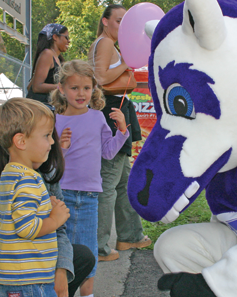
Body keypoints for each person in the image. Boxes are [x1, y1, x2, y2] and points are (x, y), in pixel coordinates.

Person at [0, 104, 95, 297]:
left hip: (28, 254)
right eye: (46, 136)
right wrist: (41, 275)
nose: (52, 143)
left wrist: (60, 272)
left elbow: (59, 232)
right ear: (21, 141)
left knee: (80, 257)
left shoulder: (42, 174)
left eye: (52, 135)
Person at [51, 59, 129, 297]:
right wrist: (60, 148)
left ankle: (87, 294)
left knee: (88, 248)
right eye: (74, 88)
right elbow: (46, 161)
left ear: (94, 88)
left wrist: (122, 131)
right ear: (62, 89)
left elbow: (107, 151)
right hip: (60, 195)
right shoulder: (54, 119)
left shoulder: (97, 118)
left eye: (86, 88)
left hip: (89, 196)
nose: (81, 93)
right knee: (60, 250)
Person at [88, 4, 151, 263]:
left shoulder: (110, 45)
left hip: (118, 108)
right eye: (118, 20)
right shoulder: (104, 44)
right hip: (111, 112)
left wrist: (125, 73)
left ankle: (130, 235)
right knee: (109, 183)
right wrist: (125, 64)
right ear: (105, 22)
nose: (121, 26)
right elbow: (100, 79)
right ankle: (99, 247)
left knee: (123, 181)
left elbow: (132, 82)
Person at [27, 23, 70, 103]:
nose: (69, 41)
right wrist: (64, 87)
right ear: (55, 37)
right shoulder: (47, 54)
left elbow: (29, 86)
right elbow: (36, 87)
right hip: (40, 108)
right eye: (66, 37)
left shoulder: (58, 58)